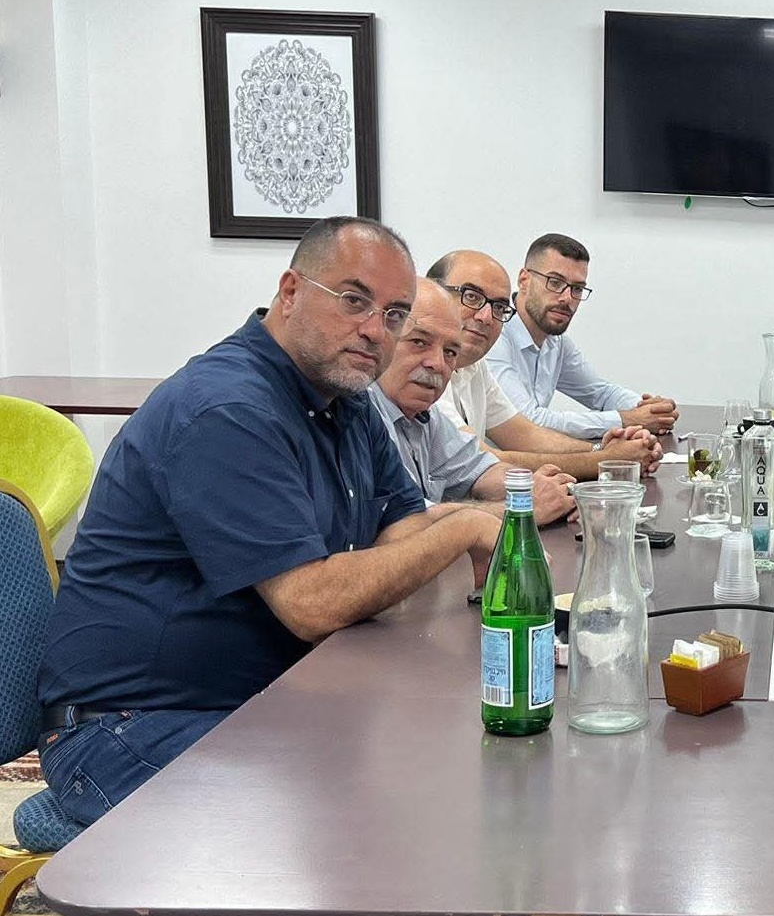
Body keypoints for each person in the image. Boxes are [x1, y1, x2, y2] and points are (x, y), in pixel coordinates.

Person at [36, 217, 503, 825]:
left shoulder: (347, 399)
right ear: (290, 292)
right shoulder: (227, 409)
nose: (374, 330)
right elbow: (311, 604)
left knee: (435, 760)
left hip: (262, 697)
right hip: (129, 727)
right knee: (374, 813)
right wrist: (464, 526)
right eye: (354, 300)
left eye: (394, 315)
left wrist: (453, 522)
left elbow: (400, 528)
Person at [424, 249, 661, 479]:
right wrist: (607, 459)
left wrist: (604, 450)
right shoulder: (426, 368)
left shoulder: (474, 363)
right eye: (471, 297)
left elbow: (524, 434)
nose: (485, 317)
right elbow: (482, 460)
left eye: (498, 307)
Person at [368, 279, 576, 524]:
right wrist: (522, 506)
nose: (437, 364)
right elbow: (406, 518)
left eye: (450, 352)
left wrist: (546, 490)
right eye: (419, 343)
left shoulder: (425, 415)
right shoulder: (362, 413)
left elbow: (479, 469)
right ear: (382, 339)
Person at [485, 233, 679, 440]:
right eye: (555, 282)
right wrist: (626, 419)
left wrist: (651, 409)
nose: (567, 298)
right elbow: (528, 422)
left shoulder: (555, 342)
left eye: (577, 288)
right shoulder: (494, 337)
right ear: (524, 280)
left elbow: (601, 393)